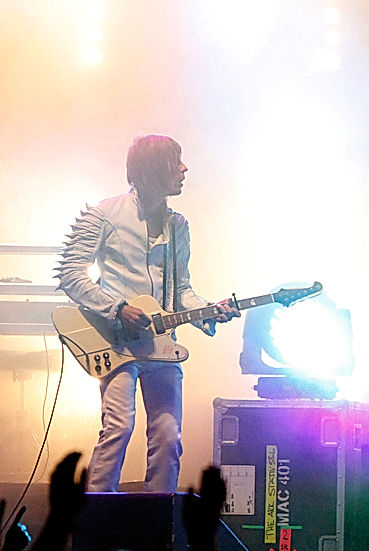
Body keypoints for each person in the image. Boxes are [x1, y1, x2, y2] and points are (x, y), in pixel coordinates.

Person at [56, 135, 239, 493]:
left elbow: (181, 290)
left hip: (162, 346)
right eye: (176, 162)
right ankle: (96, 513)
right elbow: (71, 274)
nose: (184, 169)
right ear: (153, 169)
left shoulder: (178, 225)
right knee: (119, 427)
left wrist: (208, 311)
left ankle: (159, 519)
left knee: (168, 436)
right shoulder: (104, 214)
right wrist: (117, 309)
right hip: (116, 344)